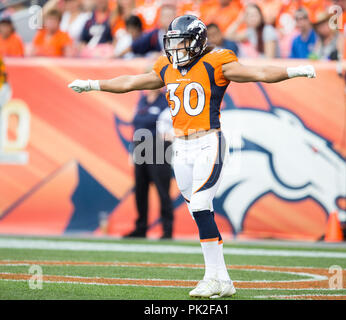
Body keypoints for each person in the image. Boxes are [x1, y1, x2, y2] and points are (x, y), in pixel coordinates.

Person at [68, 14, 316, 298]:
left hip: (208, 142)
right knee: (200, 210)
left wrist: (293, 70)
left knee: (200, 204)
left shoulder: (217, 62)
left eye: (181, 42)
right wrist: (92, 84)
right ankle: (223, 279)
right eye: (172, 43)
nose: (175, 49)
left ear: (197, 42)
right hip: (181, 149)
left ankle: (212, 278)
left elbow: (258, 74)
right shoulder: (166, 66)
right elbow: (131, 82)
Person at [124, 86, 174, 239]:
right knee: (140, 189)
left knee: (162, 189)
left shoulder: (165, 102)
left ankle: (167, 229)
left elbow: (170, 127)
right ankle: (141, 227)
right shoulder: (142, 101)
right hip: (140, 146)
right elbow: (136, 125)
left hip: (158, 146)